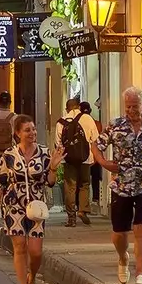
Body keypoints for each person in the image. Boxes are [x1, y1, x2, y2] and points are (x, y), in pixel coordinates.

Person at [95, 87, 142, 284]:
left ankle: (141, 272)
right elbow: (96, 145)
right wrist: (103, 163)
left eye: (135, 106)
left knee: (141, 229)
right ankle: (123, 258)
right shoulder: (115, 125)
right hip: (122, 185)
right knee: (119, 233)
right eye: (128, 106)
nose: (131, 110)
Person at [0, 116, 54, 284]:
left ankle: (32, 277)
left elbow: (50, 182)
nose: (32, 133)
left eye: (33, 130)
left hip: (35, 206)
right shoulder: (9, 155)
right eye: (27, 130)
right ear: (17, 133)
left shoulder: (44, 153)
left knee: (35, 252)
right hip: (13, 205)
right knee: (19, 247)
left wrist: (54, 167)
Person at [57, 97, 94, 226]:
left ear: (67, 108)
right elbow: (95, 138)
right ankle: (83, 210)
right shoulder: (87, 118)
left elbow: (59, 143)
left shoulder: (61, 122)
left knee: (70, 186)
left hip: (68, 158)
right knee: (84, 184)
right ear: (78, 107)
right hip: (85, 158)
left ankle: (71, 217)